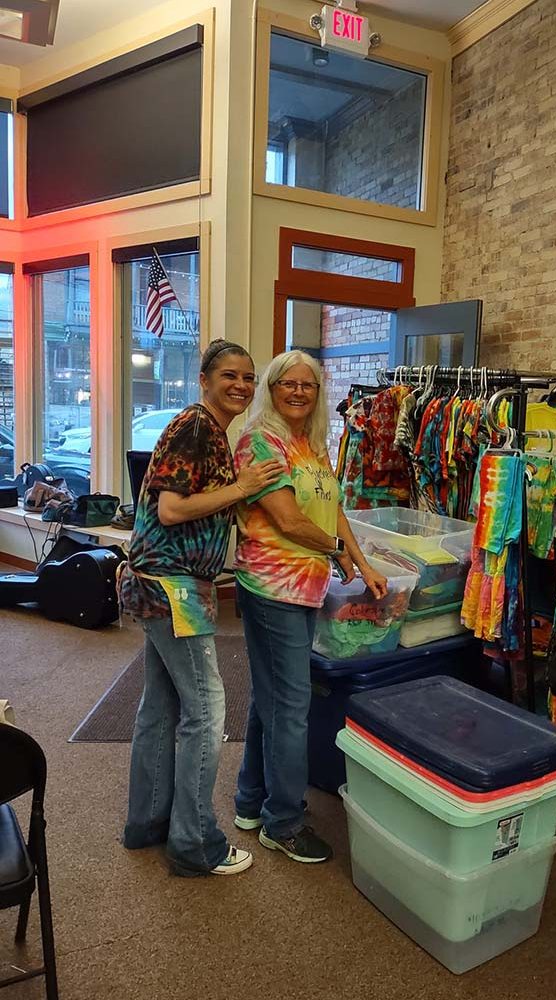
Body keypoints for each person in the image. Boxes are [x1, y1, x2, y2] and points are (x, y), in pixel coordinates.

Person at [119, 338, 283, 877]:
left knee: (161, 707)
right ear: (205, 379)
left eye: (248, 377)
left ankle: (148, 825)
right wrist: (240, 489)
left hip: (162, 585)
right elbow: (170, 509)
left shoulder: (210, 430)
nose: (240, 385)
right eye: (229, 375)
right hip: (173, 589)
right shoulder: (195, 428)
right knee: (209, 711)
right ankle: (195, 844)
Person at [233, 350, 388, 863]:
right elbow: (288, 519)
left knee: (269, 698)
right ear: (271, 389)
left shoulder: (311, 443)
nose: (299, 392)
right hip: (272, 586)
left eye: (309, 384)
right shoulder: (262, 440)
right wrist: (335, 550)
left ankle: (251, 802)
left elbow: (331, 508)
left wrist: (361, 563)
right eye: (288, 384)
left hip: (306, 587)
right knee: (292, 708)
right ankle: (284, 821)